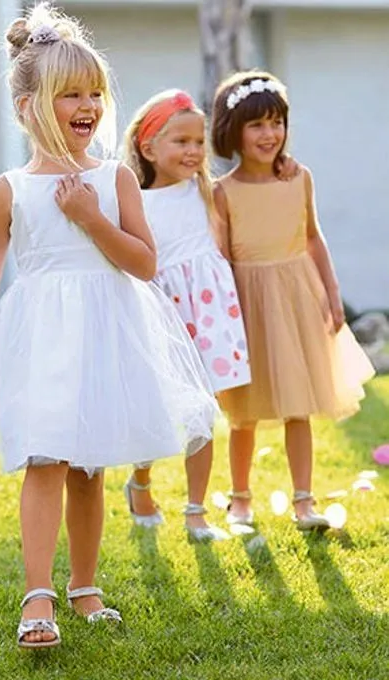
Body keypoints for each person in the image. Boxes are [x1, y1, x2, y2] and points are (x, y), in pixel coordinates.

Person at [0, 3, 217, 649]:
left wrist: (93, 218)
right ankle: (37, 591)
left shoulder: (115, 176)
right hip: (43, 337)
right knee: (45, 457)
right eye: (70, 92)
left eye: (95, 92)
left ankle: (85, 583)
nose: (87, 104)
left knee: (89, 467)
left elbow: (144, 262)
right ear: (27, 106)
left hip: (106, 330)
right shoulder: (8, 188)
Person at [210, 70, 374, 530]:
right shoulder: (224, 192)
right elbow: (221, 257)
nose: (270, 134)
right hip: (249, 305)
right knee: (244, 410)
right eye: (257, 125)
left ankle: (305, 502)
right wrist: (226, 316)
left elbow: (312, 237)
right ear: (233, 131)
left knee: (298, 403)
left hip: (298, 296)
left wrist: (332, 293)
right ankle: (240, 500)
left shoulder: (298, 177)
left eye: (276, 123)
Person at [121, 89, 250, 541]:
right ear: (148, 146)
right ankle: (140, 480)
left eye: (199, 142)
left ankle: (195, 512)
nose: (194, 150)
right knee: (156, 408)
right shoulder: (132, 199)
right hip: (163, 313)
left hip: (211, 309)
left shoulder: (207, 191)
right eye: (181, 141)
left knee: (204, 411)